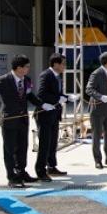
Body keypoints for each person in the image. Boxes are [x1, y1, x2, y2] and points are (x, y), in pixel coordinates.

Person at [0, 54, 56, 188]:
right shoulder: (4, 80)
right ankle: (11, 177)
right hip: (9, 119)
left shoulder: (26, 80)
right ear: (19, 68)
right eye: (27, 67)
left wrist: (42, 104)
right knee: (9, 150)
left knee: (22, 148)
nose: (28, 69)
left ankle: (21, 172)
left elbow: (30, 95)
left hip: (23, 120)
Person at [34, 53, 80, 181]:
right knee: (44, 144)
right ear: (55, 64)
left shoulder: (58, 76)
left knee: (53, 142)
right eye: (63, 64)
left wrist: (67, 98)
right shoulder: (46, 75)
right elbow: (42, 94)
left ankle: (51, 166)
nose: (65, 66)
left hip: (54, 114)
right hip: (45, 114)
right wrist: (59, 98)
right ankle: (40, 170)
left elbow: (57, 94)